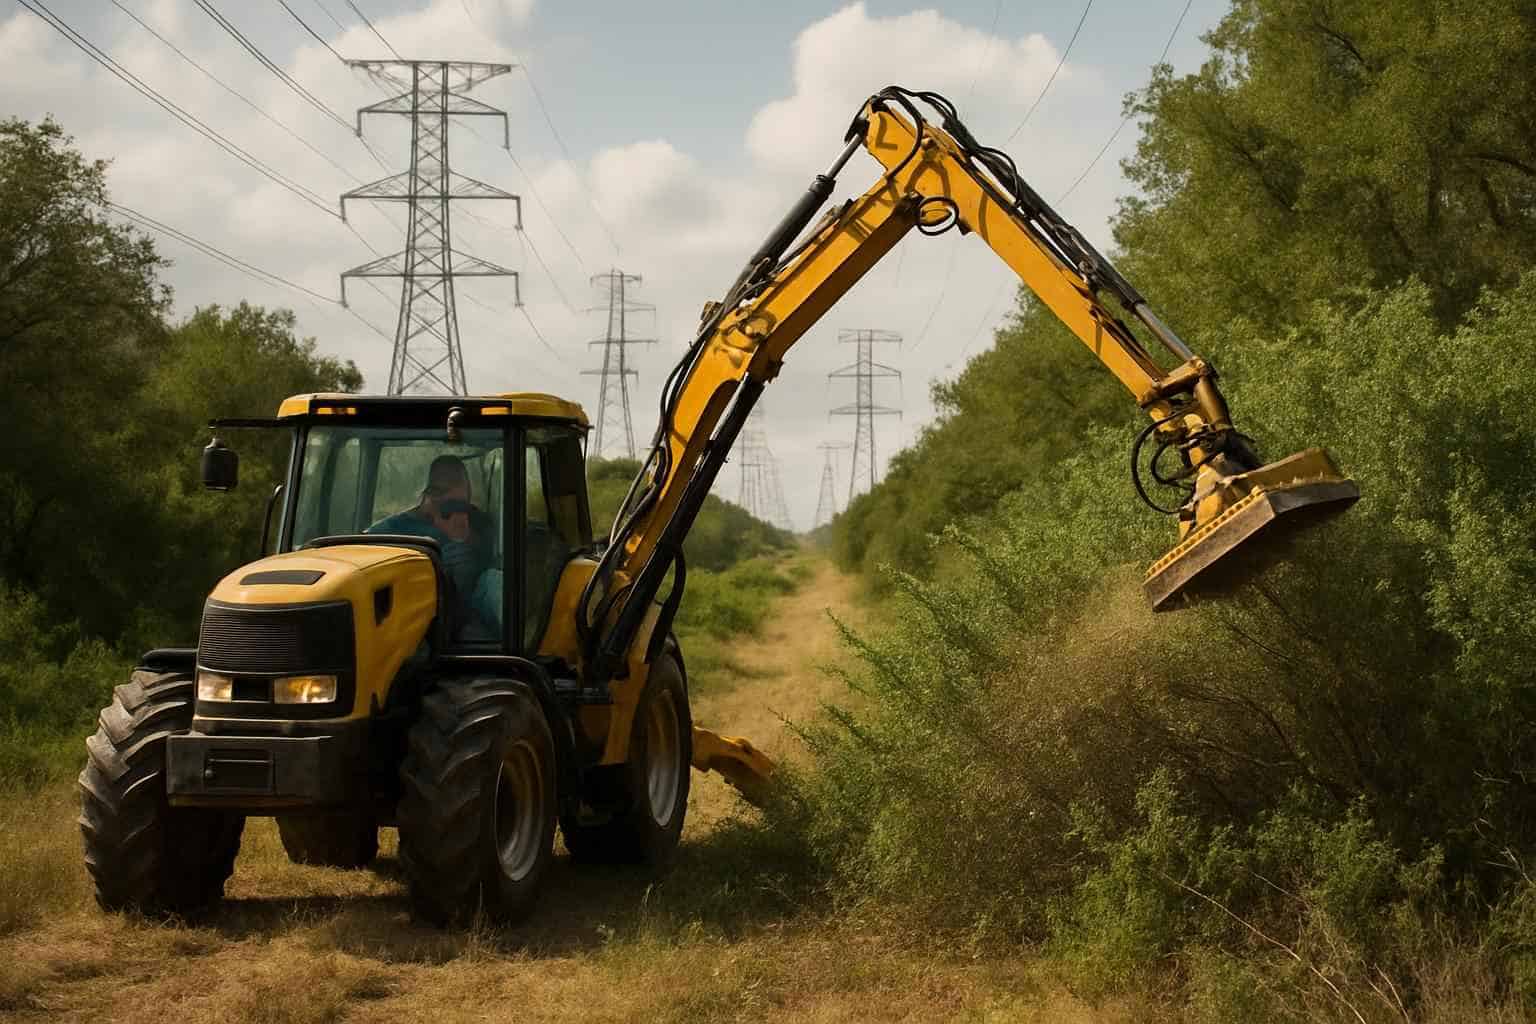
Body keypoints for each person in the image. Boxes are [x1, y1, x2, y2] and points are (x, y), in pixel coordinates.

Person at [368, 455, 502, 638]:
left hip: (471, 611)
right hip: (419, 613)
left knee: (495, 580)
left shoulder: (476, 521)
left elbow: (492, 559)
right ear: (431, 497)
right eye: (452, 505)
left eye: (463, 504)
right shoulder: (391, 530)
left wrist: (466, 538)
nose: (459, 511)